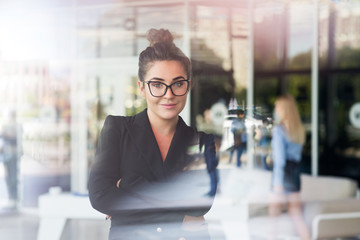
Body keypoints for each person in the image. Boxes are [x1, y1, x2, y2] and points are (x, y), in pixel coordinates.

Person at [89, 29, 215, 240]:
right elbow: (101, 197)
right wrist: (182, 218)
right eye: (157, 84)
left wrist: (127, 185)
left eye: (177, 83)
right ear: (141, 88)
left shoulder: (201, 142)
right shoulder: (118, 129)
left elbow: (200, 205)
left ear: (188, 85)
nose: (169, 94)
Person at [268, 94, 310, 240]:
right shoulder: (298, 129)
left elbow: (279, 161)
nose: (275, 109)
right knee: (296, 214)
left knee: (274, 216)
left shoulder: (279, 131)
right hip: (295, 175)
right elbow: (296, 157)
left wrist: (277, 184)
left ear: (284, 109)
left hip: (282, 175)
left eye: (277, 107)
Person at [0, 110, 20, 210]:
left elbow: (14, 137)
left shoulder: (17, 126)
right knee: (8, 178)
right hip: (6, 155)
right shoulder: (6, 126)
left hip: (13, 155)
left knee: (13, 177)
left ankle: (15, 198)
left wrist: (5, 134)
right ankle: (11, 198)